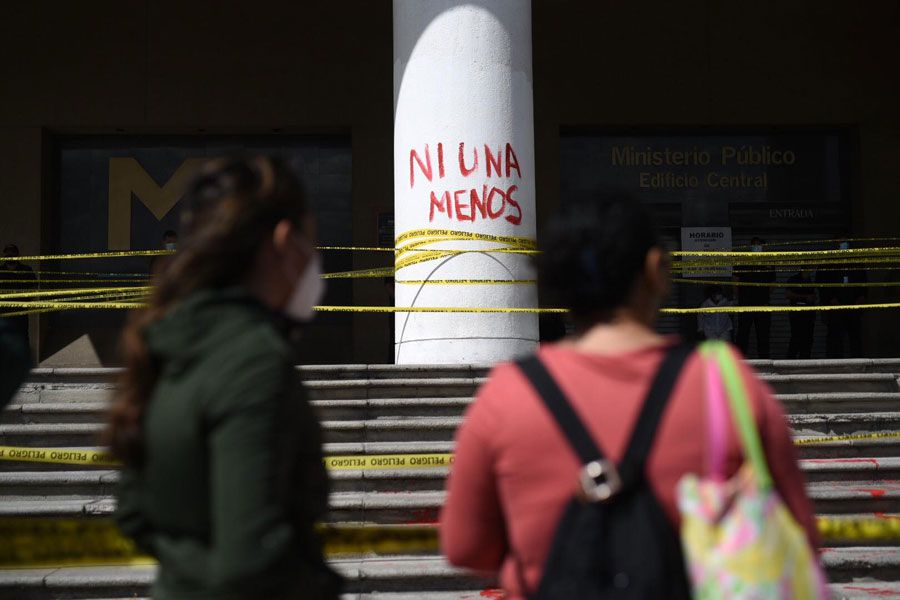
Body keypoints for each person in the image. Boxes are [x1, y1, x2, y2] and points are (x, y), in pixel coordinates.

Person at [440, 195, 817, 599]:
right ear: (656, 270)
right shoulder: (726, 383)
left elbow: (466, 546)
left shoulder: (508, 393)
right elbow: (800, 535)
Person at [105, 156, 341, 600]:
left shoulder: (169, 340)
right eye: (311, 241)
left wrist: (191, 571)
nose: (315, 259)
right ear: (284, 240)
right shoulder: (255, 361)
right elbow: (251, 561)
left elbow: (133, 514)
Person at [817, 241, 867, 358]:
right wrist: (830, 298)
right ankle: (833, 361)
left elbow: (863, 280)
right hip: (835, 306)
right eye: (840, 243)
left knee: (854, 335)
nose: (843, 246)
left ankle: (857, 360)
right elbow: (821, 282)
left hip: (853, 305)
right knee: (835, 335)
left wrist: (862, 296)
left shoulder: (855, 262)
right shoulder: (828, 262)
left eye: (845, 243)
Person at [733, 237, 775, 358]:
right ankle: (739, 361)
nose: (757, 248)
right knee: (743, 333)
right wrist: (740, 298)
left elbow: (772, 284)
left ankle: (764, 361)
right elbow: (735, 281)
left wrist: (763, 296)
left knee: (763, 334)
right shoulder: (743, 261)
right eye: (755, 246)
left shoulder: (769, 263)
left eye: (760, 246)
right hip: (745, 304)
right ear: (751, 247)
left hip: (763, 305)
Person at [0, 244, 37, 345]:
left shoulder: (26, 270)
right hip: (3, 313)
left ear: (17, 254)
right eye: (8, 252)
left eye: (12, 252)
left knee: (22, 338)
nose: (10, 254)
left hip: (20, 313)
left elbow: (34, 288)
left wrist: (24, 302)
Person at [786, 270, 817, 359]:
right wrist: (805, 297)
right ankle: (790, 361)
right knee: (796, 337)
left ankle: (805, 360)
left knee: (808, 339)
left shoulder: (811, 281)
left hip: (809, 313)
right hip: (796, 314)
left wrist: (813, 298)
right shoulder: (793, 279)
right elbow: (788, 294)